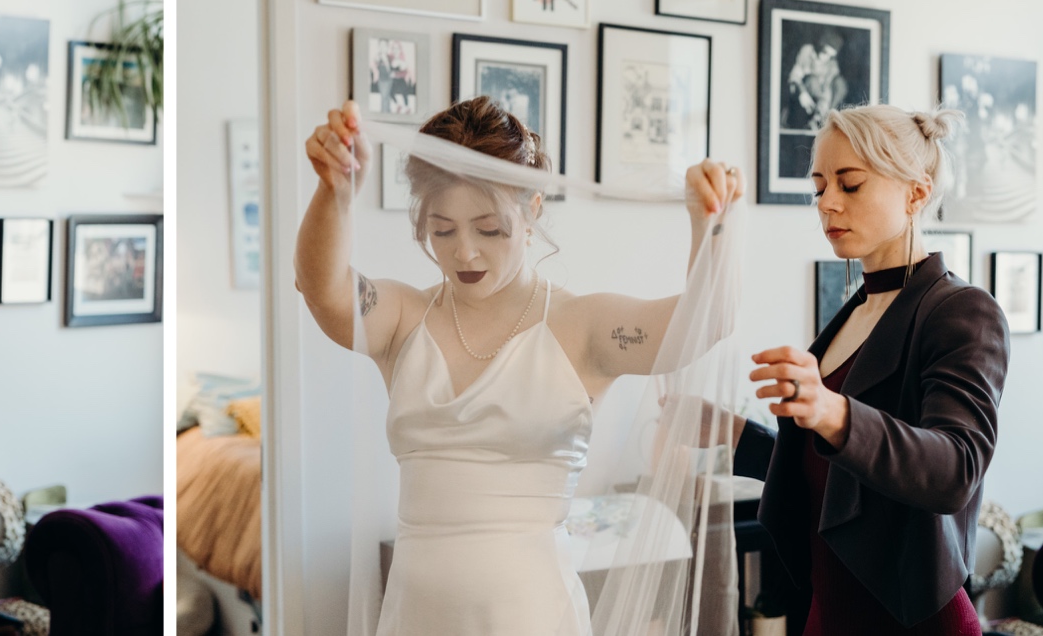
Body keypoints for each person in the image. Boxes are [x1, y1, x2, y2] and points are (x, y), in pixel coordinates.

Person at [296, 96, 741, 635]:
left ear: (531, 209)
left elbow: (705, 321)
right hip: (415, 616)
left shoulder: (581, 327)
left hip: (530, 616)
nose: (465, 253)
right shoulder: (401, 319)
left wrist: (708, 224)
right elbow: (324, 291)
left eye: (489, 230)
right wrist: (334, 195)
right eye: (442, 230)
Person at [731, 104, 1006, 635]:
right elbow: (839, 480)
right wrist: (737, 436)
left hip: (911, 619)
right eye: (819, 186)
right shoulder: (854, 312)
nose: (827, 203)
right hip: (831, 614)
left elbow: (955, 470)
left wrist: (832, 410)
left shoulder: (962, 311)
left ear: (916, 192)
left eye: (850, 184)